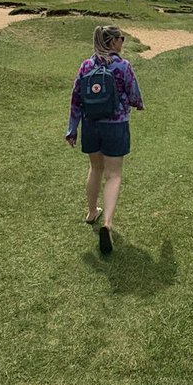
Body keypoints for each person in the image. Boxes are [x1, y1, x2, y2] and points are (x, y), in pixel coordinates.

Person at [65, 25, 144, 255]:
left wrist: (72, 129)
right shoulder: (123, 65)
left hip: (91, 125)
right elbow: (134, 94)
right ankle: (107, 224)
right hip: (116, 125)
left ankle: (91, 212)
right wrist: (137, 104)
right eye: (121, 38)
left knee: (95, 168)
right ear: (111, 42)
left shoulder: (86, 65)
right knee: (114, 174)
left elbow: (76, 98)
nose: (123, 41)